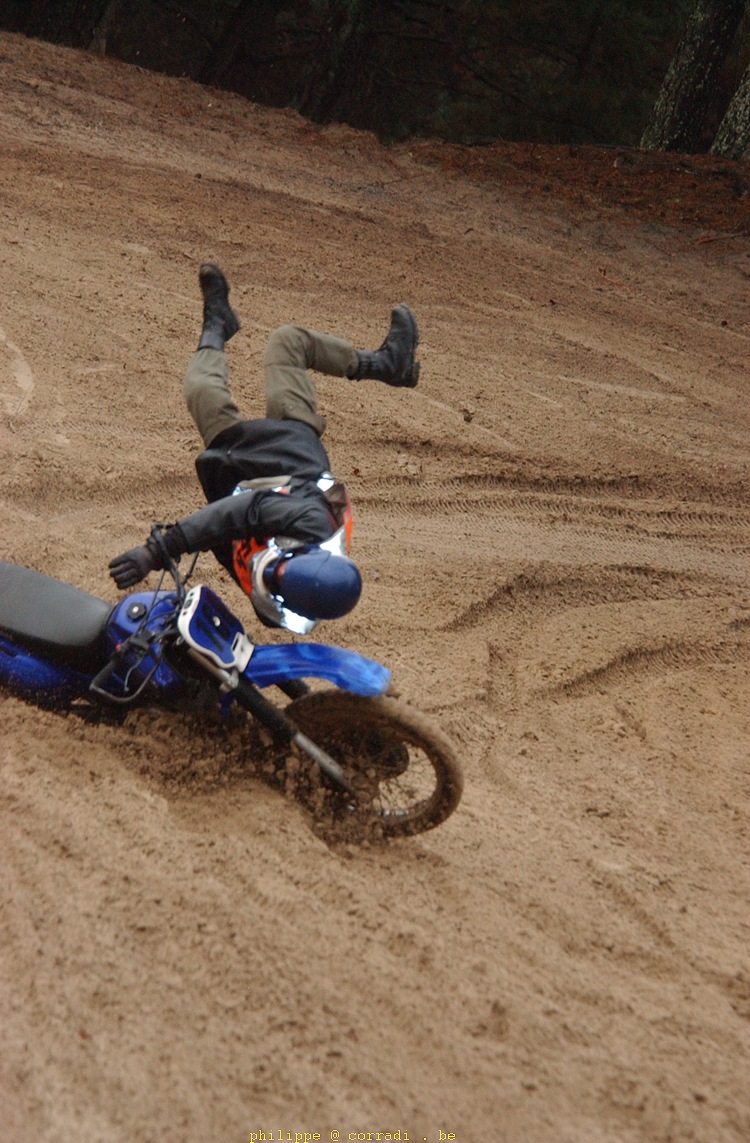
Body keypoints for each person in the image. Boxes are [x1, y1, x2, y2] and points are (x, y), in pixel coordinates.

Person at [108, 263, 419, 633]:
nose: (273, 569)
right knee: (287, 343)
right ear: (306, 552)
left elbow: (227, 534)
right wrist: (158, 551)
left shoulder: (285, 612)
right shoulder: (313, 524)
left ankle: (217, 326)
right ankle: (387, 365)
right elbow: (242, 512)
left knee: (201, 388)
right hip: (291, 459)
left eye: (276, 575)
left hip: (237, 472)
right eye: (283, 564)